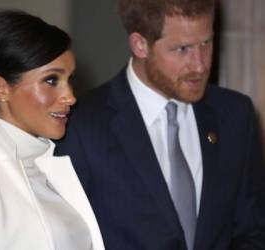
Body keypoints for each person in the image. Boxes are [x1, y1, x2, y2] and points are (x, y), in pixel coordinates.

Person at [55, 0, 265, 249]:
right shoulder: (82, 125)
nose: (199, 64)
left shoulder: (235, 114)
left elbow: (252, 229)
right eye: (182, 49)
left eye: (206, 43)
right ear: (140, 45)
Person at [0, 10, 105, 250]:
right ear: (0, 88)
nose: (70, 97)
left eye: (69, 79)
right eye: (51, 80)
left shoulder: (53, 162)